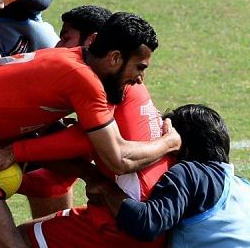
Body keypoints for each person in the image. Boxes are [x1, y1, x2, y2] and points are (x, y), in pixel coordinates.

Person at [0, 12, 181, 247]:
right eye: (139, 67)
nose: (141, 78)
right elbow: (118, 157)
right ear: (115, 58)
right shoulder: (85, 81)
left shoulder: (70, 61)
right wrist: (170, 142)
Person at [4, 5, 172, 224]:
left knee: (13, 240)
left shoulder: (114, 85)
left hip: (128, 215)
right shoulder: (109, 80)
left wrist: (12, 152)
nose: (58, 46)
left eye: (66, 38)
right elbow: (55, 181)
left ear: (92, 41)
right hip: (140, 210)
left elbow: (89, 144)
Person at [82, 104, 250, 247]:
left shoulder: (191, 173)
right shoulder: (244, 187)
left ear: (180, 146)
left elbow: (147, 224)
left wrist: (105, 188)